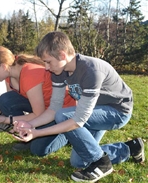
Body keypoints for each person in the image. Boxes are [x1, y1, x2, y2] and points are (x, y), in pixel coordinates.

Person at [12, 31, 144, 182]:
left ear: (62, 55)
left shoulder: (91, 70)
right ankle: (129, 148)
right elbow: (53, 109)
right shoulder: (59, 71)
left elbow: (77, 120)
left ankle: (102, 163)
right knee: (79, 161)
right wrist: (30, 124)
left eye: (48, 62)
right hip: (93, 112)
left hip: (117, 112)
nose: (46, 68)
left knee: (63, 115)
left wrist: (36, 133)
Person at [0, 46, 76, 155]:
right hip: (45, 108)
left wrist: (7, 120)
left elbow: (38, 114)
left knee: (39, 150)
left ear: (3, 66)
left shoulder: (29, 75)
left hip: (61, 111)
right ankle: (26, 133)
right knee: (5, 100)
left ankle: (66, 133)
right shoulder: (9, 74)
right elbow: (9, 103)